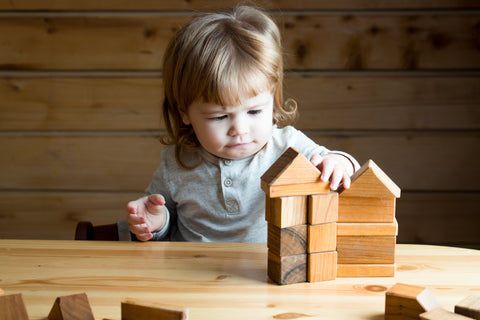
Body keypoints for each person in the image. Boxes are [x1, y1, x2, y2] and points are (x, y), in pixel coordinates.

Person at [126, 6, 359, 242]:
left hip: (266, 271)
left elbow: (334, 160)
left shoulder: (287, 145)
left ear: (273, 100)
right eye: (219, 116)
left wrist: (339, 162)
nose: (240, 129)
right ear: (184, 113)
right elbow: (165, 217)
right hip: (193, 272)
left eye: (255, 111)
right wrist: (156, 221)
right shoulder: (175, 163)